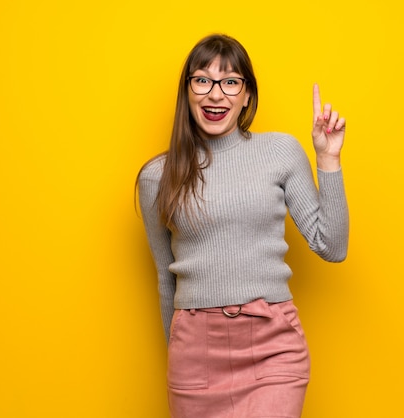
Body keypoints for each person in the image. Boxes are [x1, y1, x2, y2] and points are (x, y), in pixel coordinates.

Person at [137, 33, 348, 418]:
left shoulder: (280, 151)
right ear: (187, 91)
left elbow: (331, 246)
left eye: (230, 82)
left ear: (247, 95)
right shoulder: (157, 176)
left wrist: (328, 160)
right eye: (203, 80)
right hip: (196, 353)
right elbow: (165, 278)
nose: (216, 94)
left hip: (272, 345)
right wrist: (180, 352)